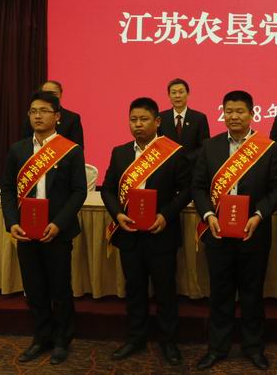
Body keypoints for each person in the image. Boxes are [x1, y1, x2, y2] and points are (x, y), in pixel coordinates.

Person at [192, 90, 277, 371]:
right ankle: (217, 348)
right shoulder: (210, 147)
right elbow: (198, 187)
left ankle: (253, 348)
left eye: (239, 111)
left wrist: (258, 215)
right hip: (218, 232)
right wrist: (208, 214)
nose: (233, 116)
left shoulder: (268, 148)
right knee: (220, 293)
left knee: (252, 293)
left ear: (251, 114)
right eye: (229, 111)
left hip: (253, 233)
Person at [100, 97, 191, 366]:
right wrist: (117, 214)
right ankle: (135, 338)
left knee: (165, 291)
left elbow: (186, 190)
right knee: (135, 289)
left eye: (144, 119)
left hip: (161, 233)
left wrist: (165, 215)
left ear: (157, 121)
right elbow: (108, 189)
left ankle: (168, 341)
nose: (138, 125)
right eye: (133, 120)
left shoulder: (173, 152)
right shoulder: (120, 152)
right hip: (129, 233)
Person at [1, 91, 87, 365]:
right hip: (25, 231)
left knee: (60, 288)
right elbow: (7, 189)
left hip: (56, 232)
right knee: (34, 288)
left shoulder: (71, 150)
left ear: (57, 116)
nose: (37, 116)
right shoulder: (18, 150)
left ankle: (62, 340)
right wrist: (12, 222)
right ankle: (41, 337)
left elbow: (79, 192)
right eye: (33, 111)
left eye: (44, 111)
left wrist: (58, 224)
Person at [158, 78, 210, 160]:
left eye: (181, 92)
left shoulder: (199, 118)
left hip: (192, 165)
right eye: (174, 92)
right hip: (168, 165)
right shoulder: (160, 118)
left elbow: (204, 146)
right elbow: (157, 145)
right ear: (169, 95)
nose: (177, 96)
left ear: (188, 94)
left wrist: (187, 159)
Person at [21, 80, 85, 147]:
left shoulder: (72, 118)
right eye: (45, 94)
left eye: (53, 94)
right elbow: (24, 144)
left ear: (61, 95)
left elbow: (77, 147)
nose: (49, 97)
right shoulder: (33, 116)